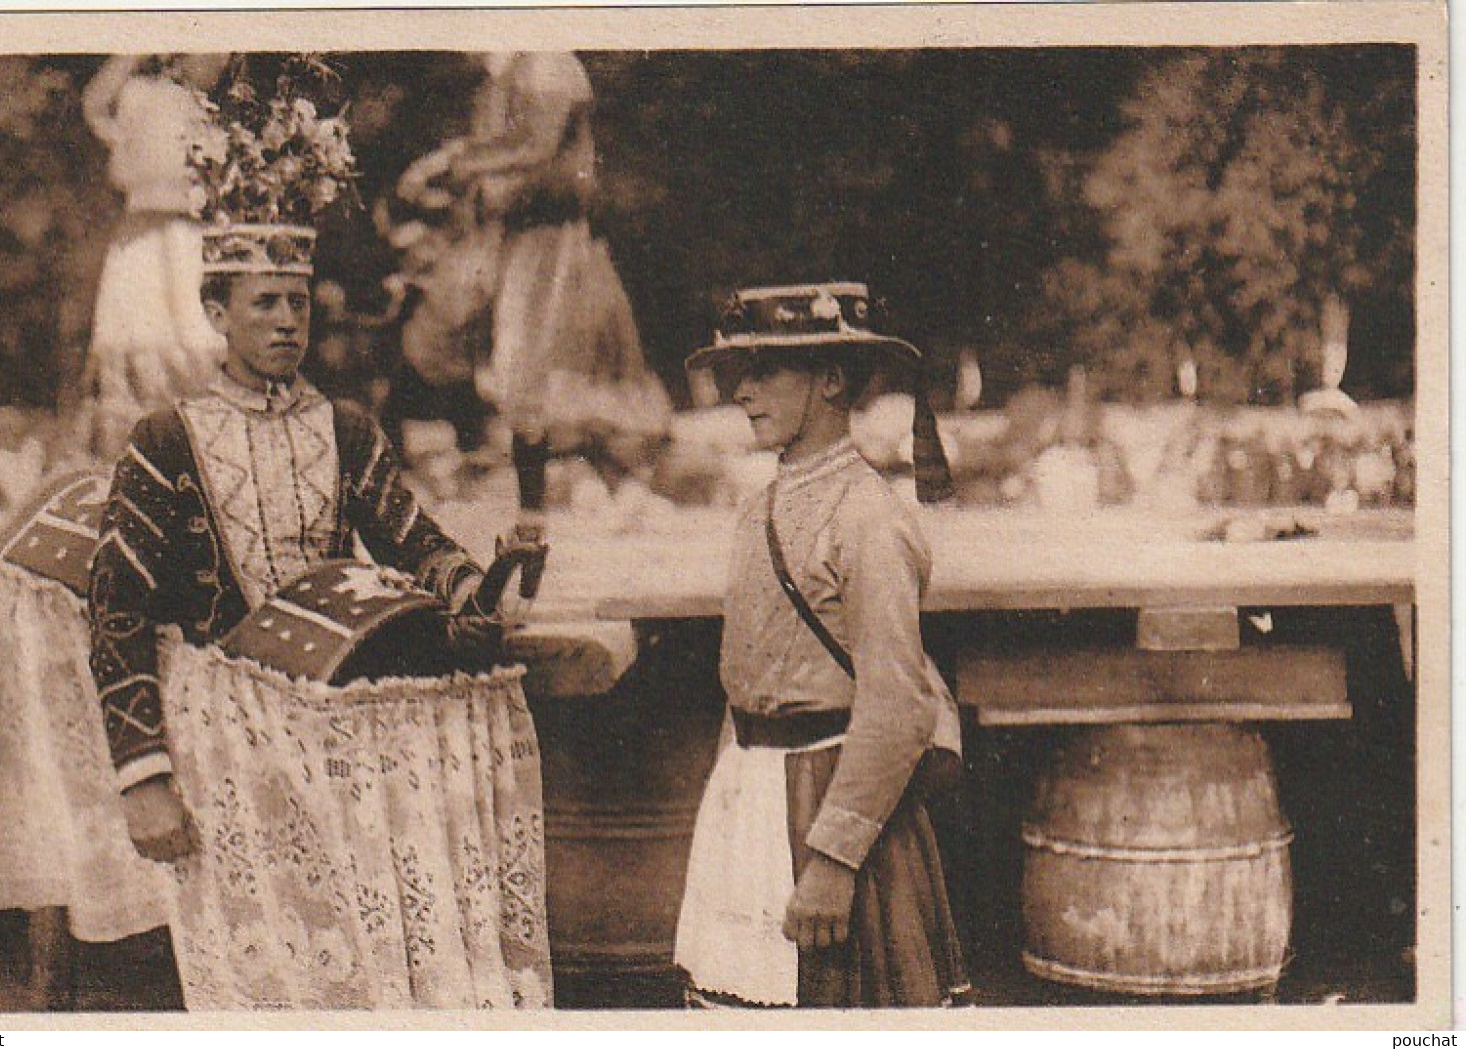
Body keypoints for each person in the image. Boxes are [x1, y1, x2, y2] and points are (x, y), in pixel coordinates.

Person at [86, 225, 524, 1005]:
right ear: (217, 313)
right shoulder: (166, 438)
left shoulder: (346, 427)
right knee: (256, 968)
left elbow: (413, 536)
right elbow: (115, 608)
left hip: (332, 723)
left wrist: (472, 590)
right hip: (218, 736)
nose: (287, 320)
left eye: (297, 302)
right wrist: (141, 777)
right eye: (264, 303)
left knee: (356, 956)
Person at [673, 283, 969, 1008]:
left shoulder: (868, 517)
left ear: (831, 380)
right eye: (737, 373)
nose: (740, 391)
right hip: (752, 796)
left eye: (765, 371)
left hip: (833, 807)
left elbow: (898, 705)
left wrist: (833, 859)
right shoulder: (760, 506)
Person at [399, 51, 671, 543]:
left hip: (552, 240)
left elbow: (538, 146)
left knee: (548, 375)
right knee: (490, 362)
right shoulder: (500, 79)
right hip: (514, 239)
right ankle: (537, 502)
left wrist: (454, 161)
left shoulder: (545, 63)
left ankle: (577, 500)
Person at [81, 53, 232, 459]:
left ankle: (196, 447)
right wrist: (135, 49)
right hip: (143, 233)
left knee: (193, 333)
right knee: (137, 333)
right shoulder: (137, 93)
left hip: (188, 235)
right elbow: (95, 106)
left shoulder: (206, 109)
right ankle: (130, 452)